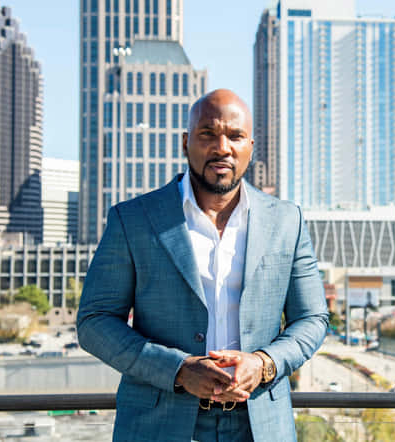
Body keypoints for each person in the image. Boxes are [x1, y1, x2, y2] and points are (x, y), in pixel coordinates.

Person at [77, 89, 328, 442]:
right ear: (186, 143)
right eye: (208, 134)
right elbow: (94, 321)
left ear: (250, 147)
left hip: (260, 425)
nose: (222, 147)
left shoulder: (287, 220)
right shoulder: (133, 219)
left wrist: (263, 363)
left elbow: (313, 319)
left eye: (235, 136)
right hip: (158, 422)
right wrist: (178, 369)